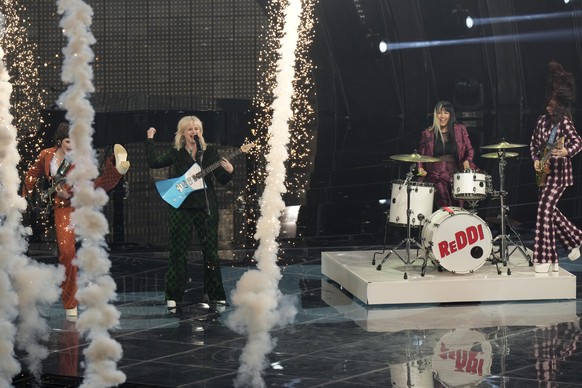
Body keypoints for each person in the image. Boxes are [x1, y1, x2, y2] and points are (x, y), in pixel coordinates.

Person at [23, 122, 130, 320]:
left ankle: (115, 167)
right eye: (67, 141)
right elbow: (32, 174)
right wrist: (26, 196)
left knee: (97, 186)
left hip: (80, 199)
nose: (71, 145)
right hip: (62, 208)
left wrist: (69, 192)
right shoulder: (46, 155)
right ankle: (70, 302)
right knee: (67, 253)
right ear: (59, 141)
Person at [145, 116, 234, 311]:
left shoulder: (209, 152)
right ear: (182, 133)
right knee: (178, 253)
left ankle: (216, 294)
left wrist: (229, 171)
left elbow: (221, 179)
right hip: (182, 208)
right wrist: (150, 139)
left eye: (197, 129)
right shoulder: (176, 152)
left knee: (210, 253)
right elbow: (153, 162)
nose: (194, 132)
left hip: (206, 207)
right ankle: (173, 296)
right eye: (190, 129)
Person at [530, 62, 582, 273]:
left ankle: (544, 257)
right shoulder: (542, 121)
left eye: (552, 105)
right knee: (548, 212)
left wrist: (566, 152)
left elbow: (578, 142)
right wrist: (535, 158)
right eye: (548, 104)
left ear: (559, 106)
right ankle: (573, 242)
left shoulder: (565, 123)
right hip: (545, 173)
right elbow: (533, 144)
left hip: (560, 175)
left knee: (543, 210)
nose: (548, 107)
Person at [417, 100, 477, 208]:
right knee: (441, 189)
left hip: (455, 172)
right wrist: (420, 168)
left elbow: (470, 150)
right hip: (435, 174)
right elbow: (421, 156)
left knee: (459, 201)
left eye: (446, 113)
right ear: (435, 115)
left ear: (451, 115)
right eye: (439, 113)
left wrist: (467, 161)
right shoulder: (427, 133)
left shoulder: (459, 129)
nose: (442, 116)